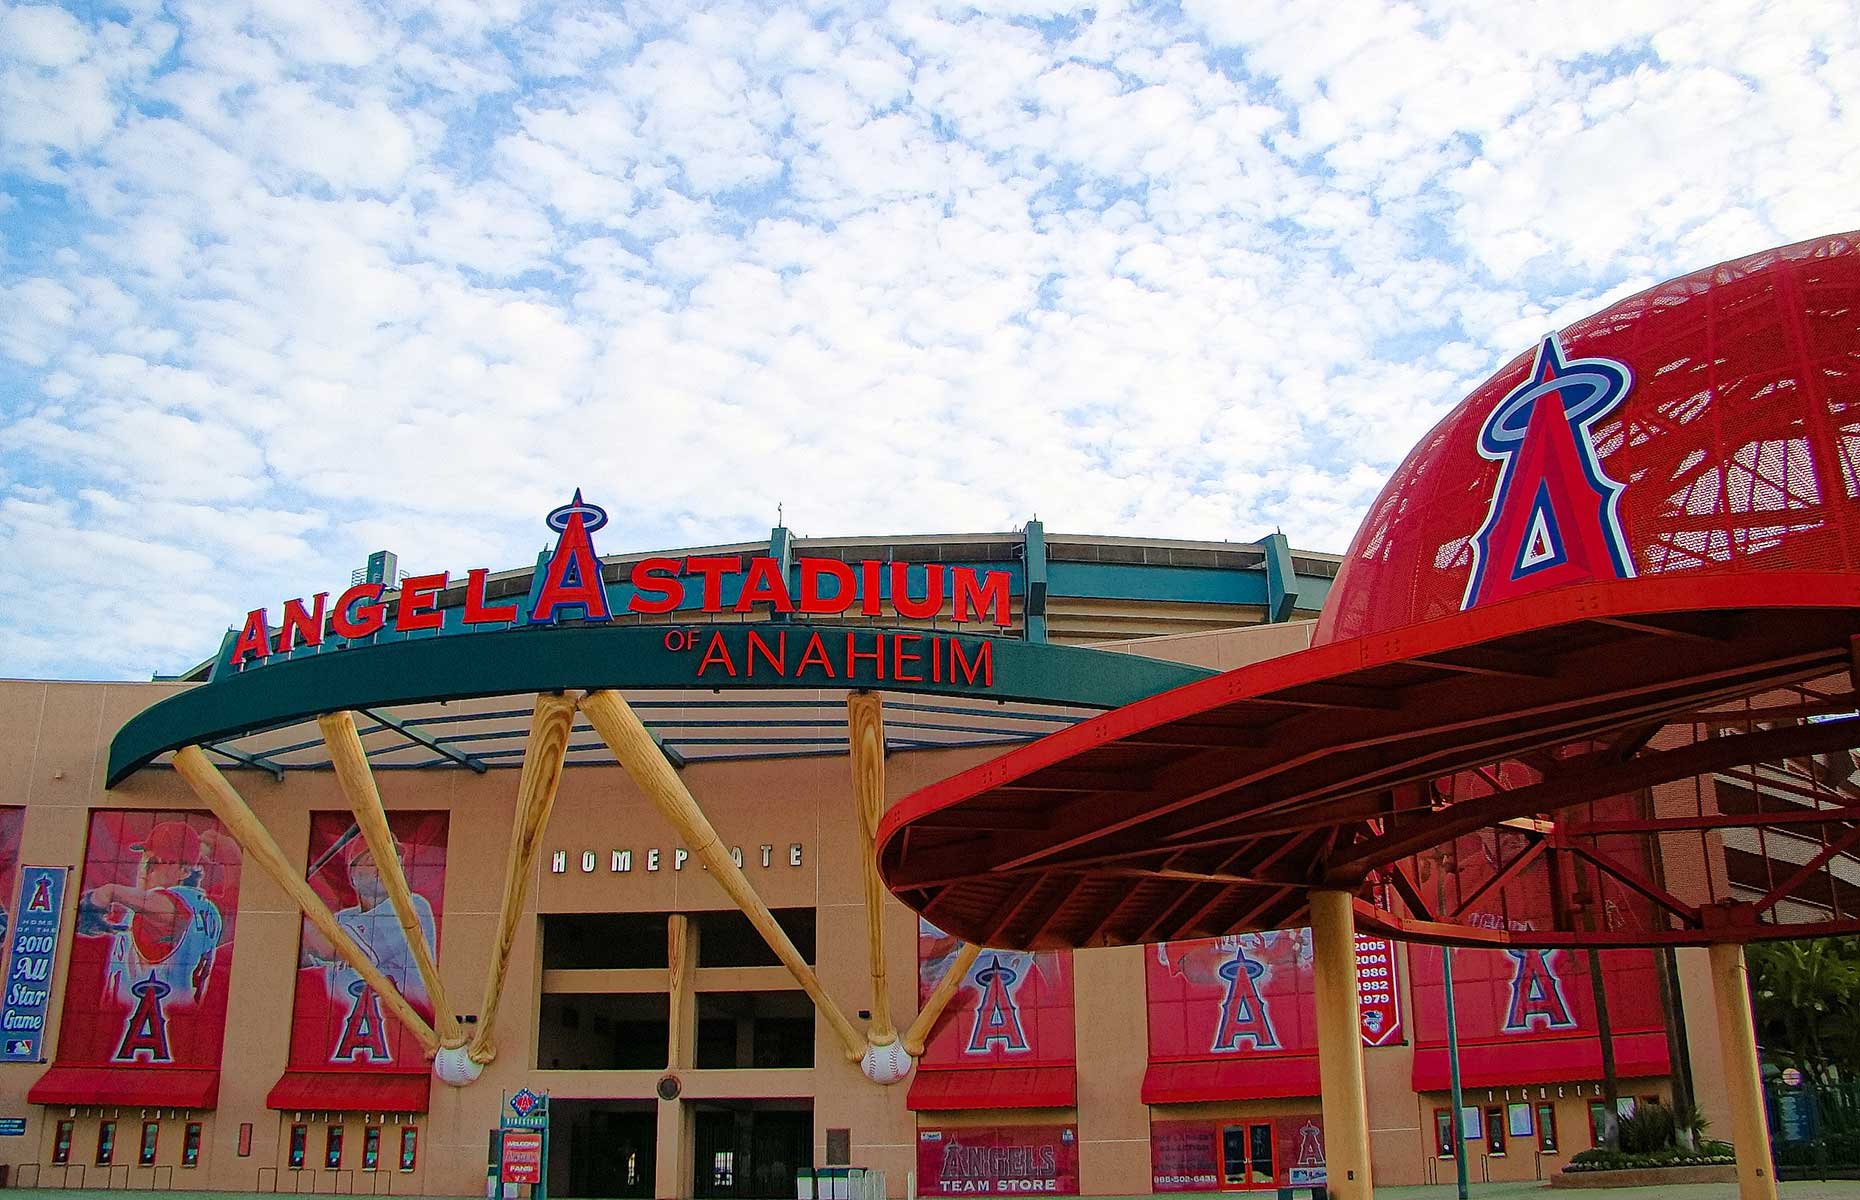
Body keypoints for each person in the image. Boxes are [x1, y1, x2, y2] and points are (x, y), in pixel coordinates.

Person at [83, 821, 225, 1007]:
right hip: (180, 1018)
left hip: (147, 1027)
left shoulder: (172, 903)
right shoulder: (207, 909)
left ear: (184, 871)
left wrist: (107, 893)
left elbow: (167, 909)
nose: (144, 868)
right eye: (144, 857)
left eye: (155, 862)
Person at [302, 834, 436, 1013]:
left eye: (393, 861)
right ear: (353, 875)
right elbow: (310, 961)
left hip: (405, 1028)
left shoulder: (412, 907)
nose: (386, 868)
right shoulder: (343, 919)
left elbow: (329, 947)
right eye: (374, 861)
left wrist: (301, 932)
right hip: (348, 1027)